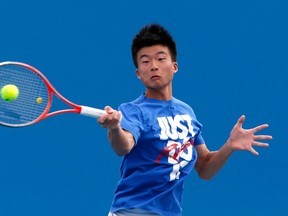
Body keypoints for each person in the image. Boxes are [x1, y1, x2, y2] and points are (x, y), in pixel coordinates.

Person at [97, 24, 272, 216]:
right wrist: (114, 128)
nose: (154, 65)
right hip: (132, 212)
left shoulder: (186, 112)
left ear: (174, 66)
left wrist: (229, 146)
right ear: (139, 73)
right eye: (145, 61)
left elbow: (205, 168)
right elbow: (124, 146)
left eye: (161, 58)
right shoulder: (133, 110)